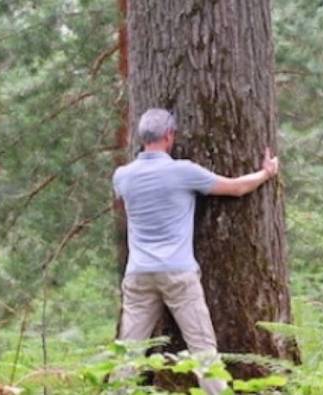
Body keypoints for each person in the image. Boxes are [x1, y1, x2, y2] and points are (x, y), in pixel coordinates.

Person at [112, 108, 279, 394]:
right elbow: (237, 188)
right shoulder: (183, 171)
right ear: (169, 136)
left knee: (129, 352)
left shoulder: (122, 176)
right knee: (203, 349)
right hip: (178, 273)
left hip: (139, 273)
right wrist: (266, 172)